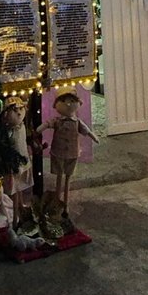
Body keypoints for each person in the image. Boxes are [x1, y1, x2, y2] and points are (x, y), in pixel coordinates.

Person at [42, 90, 98, 226]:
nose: (68, 104)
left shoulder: (76, 122)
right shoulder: (58, 121)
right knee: (60, 176)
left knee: (68, 178)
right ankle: (57, 202)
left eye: (72, 101)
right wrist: (40, 128)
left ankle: (65, 204)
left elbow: (86, 130)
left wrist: (92, 136)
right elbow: (48, 124)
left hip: (72, 152)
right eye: (64, 101)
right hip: (58, 151)